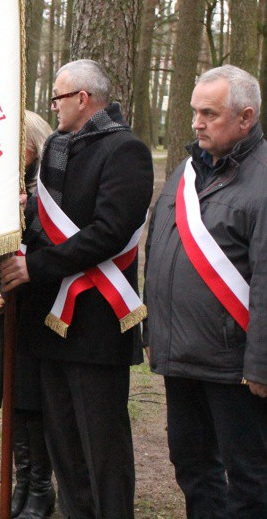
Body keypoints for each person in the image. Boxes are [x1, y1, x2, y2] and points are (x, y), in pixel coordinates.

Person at [0, 60, 153, 518]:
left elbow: (109, 230)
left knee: (102, 448)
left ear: (82, 99)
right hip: (48, 320)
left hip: (96, 322)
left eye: (58, 98)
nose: (53, 107)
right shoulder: (55, 150)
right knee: (63, 446)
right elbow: (44, 227)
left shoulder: (126, 151)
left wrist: (35, 266)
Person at [144, 65, 267, 517]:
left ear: (245, 117)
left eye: (209, 113)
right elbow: (158, 250)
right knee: (192, 465)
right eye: (195, 111)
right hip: (183, 356)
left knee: (250, 475)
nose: (196, 122)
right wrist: (154, 332)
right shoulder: (184, 173)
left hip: (236, 365)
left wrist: (261, 365)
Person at [0, 110, 56, 519]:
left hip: (37, 306)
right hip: (4, 303)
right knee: (13, 398)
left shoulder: (49, 188)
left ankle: (40, 486)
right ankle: (22, 481)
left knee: (32, 400)